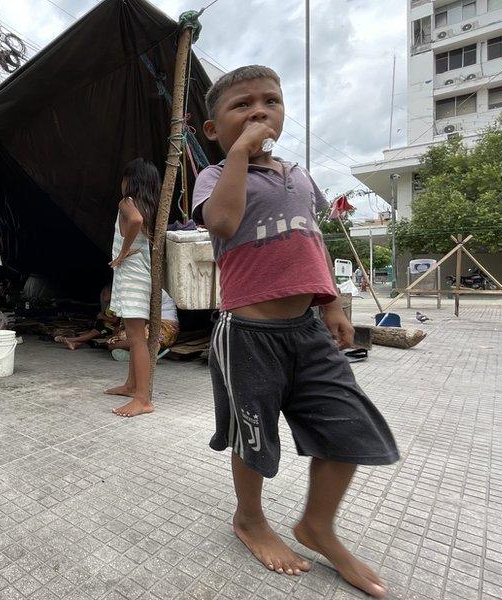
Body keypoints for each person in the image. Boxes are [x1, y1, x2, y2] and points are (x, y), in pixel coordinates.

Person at [193, 65, 399, 598]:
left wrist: (330, 300)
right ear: (213, 130)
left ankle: (317, 526)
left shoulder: (300, 176)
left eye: (271, 102)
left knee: (350, 427)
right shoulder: (215, 175)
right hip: (247, 334)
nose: (260, 112)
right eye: (242, 106)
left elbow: (313, 240)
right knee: (252, 435)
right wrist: (239, 155)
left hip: (306, 330)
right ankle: (250, 519)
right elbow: (221, 224)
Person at [106, 158, 160, 418]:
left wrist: (122, 254)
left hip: (132, 275)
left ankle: (143, 399)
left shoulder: (127, 203)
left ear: (130, 181)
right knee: (133, 334)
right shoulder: (147, 206)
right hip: (138, 275)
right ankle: (131, 386)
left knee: (138, 339)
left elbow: (134, 221)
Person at [106, 289, 180, 357]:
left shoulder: (147, 293)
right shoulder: (151, 290)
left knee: (117, 340)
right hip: (168, 335)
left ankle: (147, 348)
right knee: (115, 339)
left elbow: (142, 320)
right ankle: (140, 351)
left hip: (163, 330)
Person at [55, 286, 119, 350]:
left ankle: (68, 339)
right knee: (88, 334)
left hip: (111, 328)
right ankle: (75, 344)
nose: (102, 296)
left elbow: (115, 320)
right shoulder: (109, 304)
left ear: (112, 294)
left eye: (104, 294)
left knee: (92, 334)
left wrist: (103, 317)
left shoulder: (115, 306)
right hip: (105, 325)